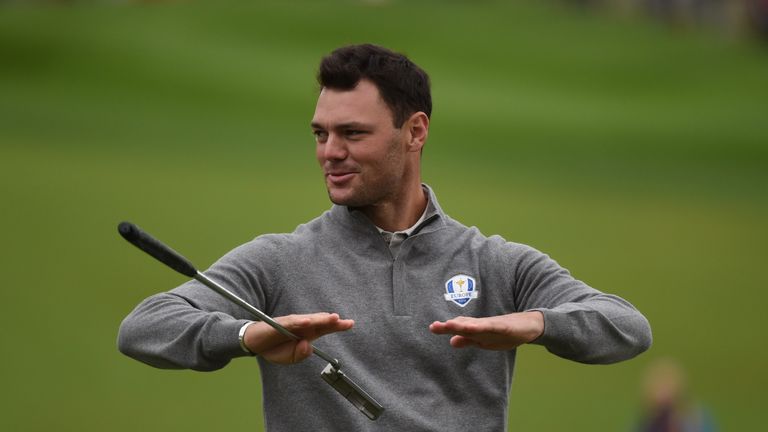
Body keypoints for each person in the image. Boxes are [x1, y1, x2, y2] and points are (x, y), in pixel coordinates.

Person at [118, 43, 652, 431]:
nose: (330, 151)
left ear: (414, 132)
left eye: (353, 133)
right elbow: (144, 327)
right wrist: (244, 337)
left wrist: (536, 324)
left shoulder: (494, 262)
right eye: (321, 134)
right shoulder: (280, 260)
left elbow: (627, 327)